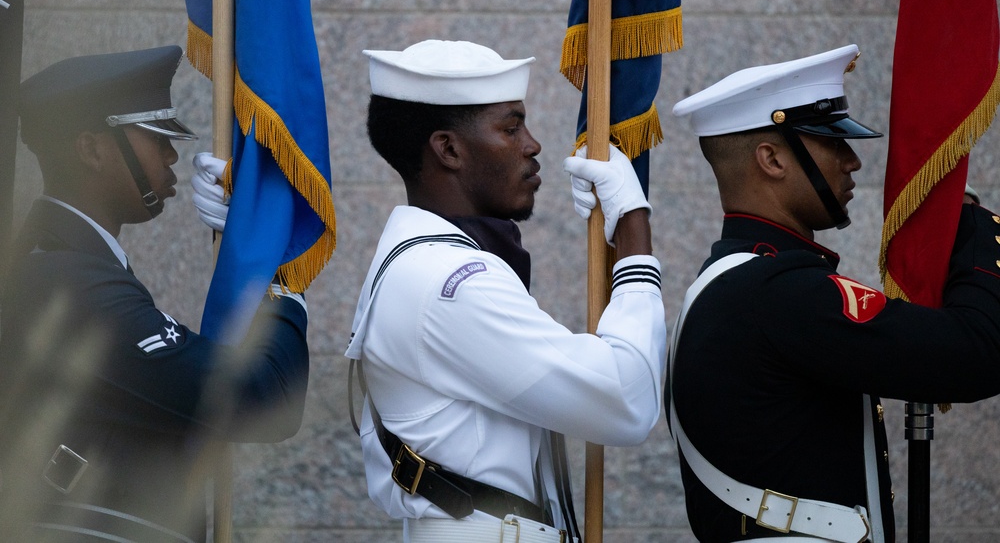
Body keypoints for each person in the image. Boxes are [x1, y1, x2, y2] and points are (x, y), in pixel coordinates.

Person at [667, 44, 1000, 542]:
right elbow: (976, 351)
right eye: (832, 144)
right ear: (773, 159)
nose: (853, 162)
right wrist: (972, 224)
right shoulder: (777, 292)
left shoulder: (736, 283)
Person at [345, 39, 667, 543]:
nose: (533, 144)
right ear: (449, 149)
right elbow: (627, 400)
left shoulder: (422, 262)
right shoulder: (450, 285)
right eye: (511, 128)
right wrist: (634, 235)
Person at [0, 46, 309, 543]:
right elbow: (265, 396)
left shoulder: (61, 261)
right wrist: (276, 275)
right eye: (155, 139)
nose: (171, 157)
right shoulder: (75, 283)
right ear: (92, 149)